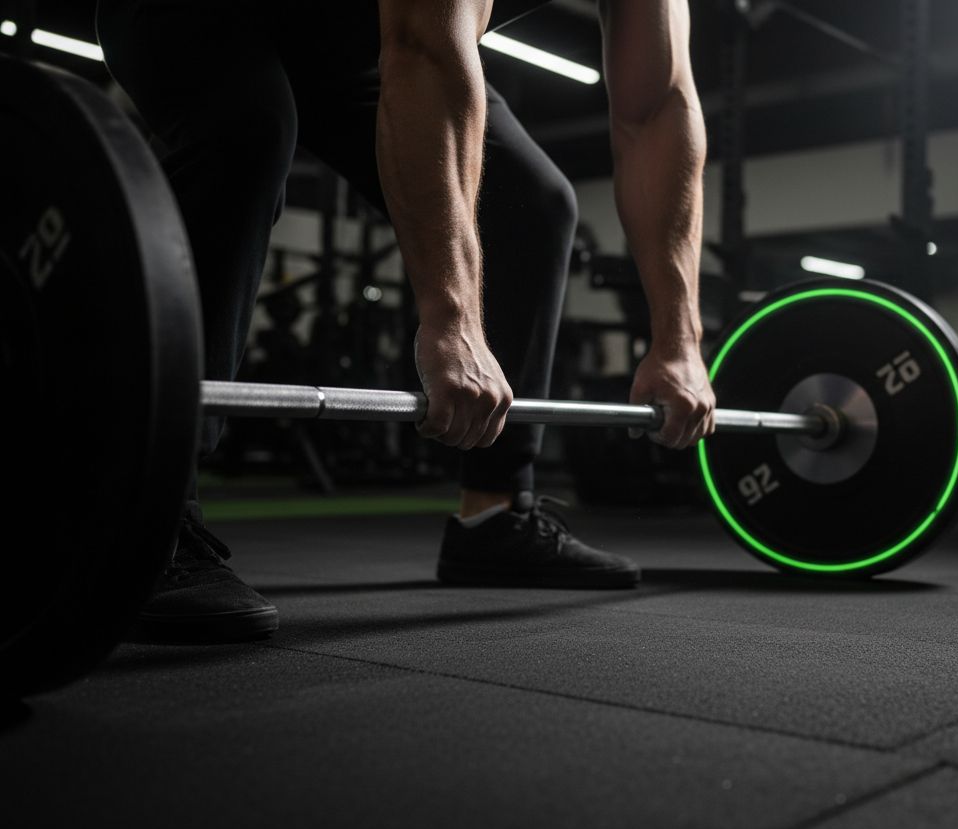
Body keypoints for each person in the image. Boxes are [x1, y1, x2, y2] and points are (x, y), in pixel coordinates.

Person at [94, 0, 715, 642]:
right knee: (246, 130)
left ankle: (494, 515)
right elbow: (427, 49)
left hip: (352, 43)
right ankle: (151, 516)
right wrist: (453, 316)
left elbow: (657, 111)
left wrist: (679, 340)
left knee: (531, 203)